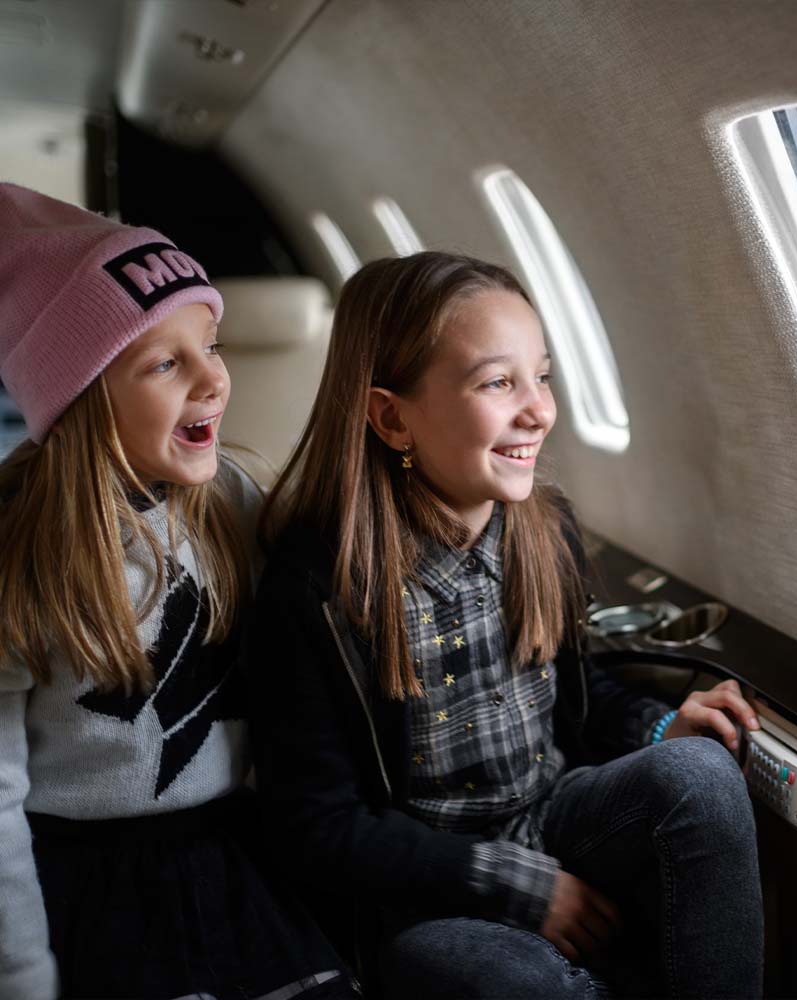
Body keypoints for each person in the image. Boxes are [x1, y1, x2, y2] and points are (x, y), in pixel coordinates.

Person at [249, 251, 764, 999]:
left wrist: (660, 730)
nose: (539, 411)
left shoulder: (544, 533)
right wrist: (518, 885)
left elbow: (575, 694)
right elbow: (317, 824)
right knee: (502, 981)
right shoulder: (316, 587)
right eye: (497, 382)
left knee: (700, 775)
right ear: (393, 418)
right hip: (426, 892)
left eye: (541, 376)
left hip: (554, 814)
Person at [0, 183, 354, 1000]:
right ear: (80, 397)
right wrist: (21, 973)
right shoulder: (21, 555)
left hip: (237, 855)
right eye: (165, 363)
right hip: (90, 887)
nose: (213, 380)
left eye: (211, 346)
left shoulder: (234, 501)